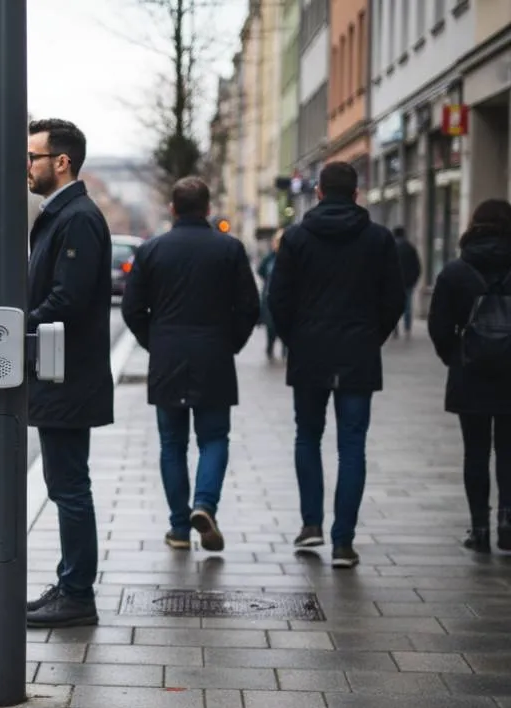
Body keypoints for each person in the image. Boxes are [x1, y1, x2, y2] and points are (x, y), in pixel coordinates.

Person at [0, 118, 114, 628]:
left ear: (61, 162)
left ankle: (77, 594)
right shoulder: (63, 214)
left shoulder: (77, 218)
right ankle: (71, 585)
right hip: (60, 373)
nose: (25, 166)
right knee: (66, 483)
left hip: (67, 374)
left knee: (70, 487)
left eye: (32, 157)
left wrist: (5, 339)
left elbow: (64, 301)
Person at [267, 161, 404, 568]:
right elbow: (394, 299)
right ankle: (343, 541)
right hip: (359, 352)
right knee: (352, 445)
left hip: (310, 351)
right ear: (357, 194)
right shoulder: (378, 239)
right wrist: (371, 336)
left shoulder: (295, 238)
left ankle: (312, 525)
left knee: (307, 437)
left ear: (320, 192)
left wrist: (297, 339)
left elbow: (278, 299)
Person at [121, 177, 260, 552]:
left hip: (167, 357)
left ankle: (179, 529)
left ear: (172, 209)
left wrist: (155, 343)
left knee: (172, 444)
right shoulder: (230, 249)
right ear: (208, 209)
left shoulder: (150, 251)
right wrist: (230, 343)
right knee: (214, 438)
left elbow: (132, 308)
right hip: (214, 354)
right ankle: (205, 504)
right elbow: (250, 307)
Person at [426, 199, 511, 553]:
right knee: (509, 451)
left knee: (474, 452)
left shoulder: (455, 272)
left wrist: (456, 358)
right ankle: (508, 522)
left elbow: (438, 327)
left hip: (471, 373)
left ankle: (479, 530)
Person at [257, 229, 284, 360]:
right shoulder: (270, 258)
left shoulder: (289, 256)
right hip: (269, 298)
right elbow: (261, 271)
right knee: (271, 329)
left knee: (284, 331)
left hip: (286, 300)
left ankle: (285, 353)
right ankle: (270, 350)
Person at [393, 226, 423, 337]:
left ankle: (394, 328)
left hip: (393, 283)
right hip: (408, 282)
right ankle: (407, 329)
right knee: (407, 306)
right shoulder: (410, 247)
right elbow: (417, 266)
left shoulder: (391, 246)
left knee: (393, 305)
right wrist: (414, 280)